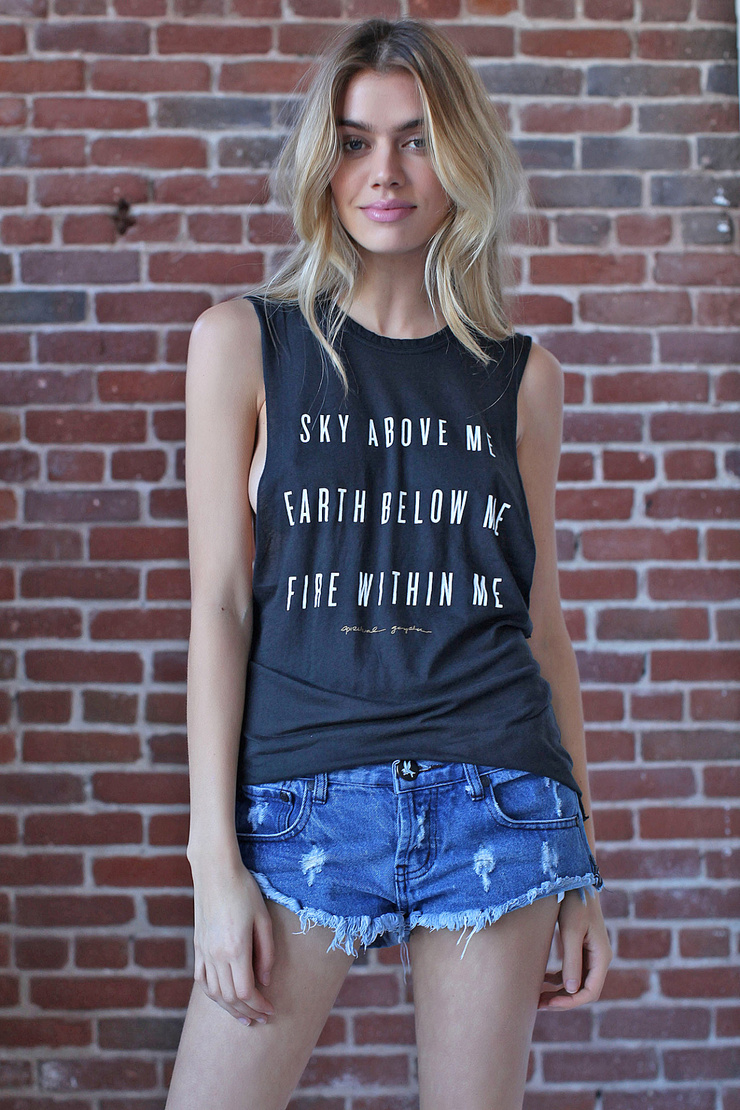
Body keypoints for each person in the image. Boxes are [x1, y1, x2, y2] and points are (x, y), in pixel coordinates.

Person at [165, 17, 613, 1110]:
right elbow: (220, 606)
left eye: (416, 139)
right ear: (323, 161)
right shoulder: (244, 344)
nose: (385, 172)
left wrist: (582, 867)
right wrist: (213, 863)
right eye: (356, 141)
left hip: (496, 800)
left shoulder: (523, 378)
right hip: (298, 804)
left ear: (458, 158)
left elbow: (542, 624)